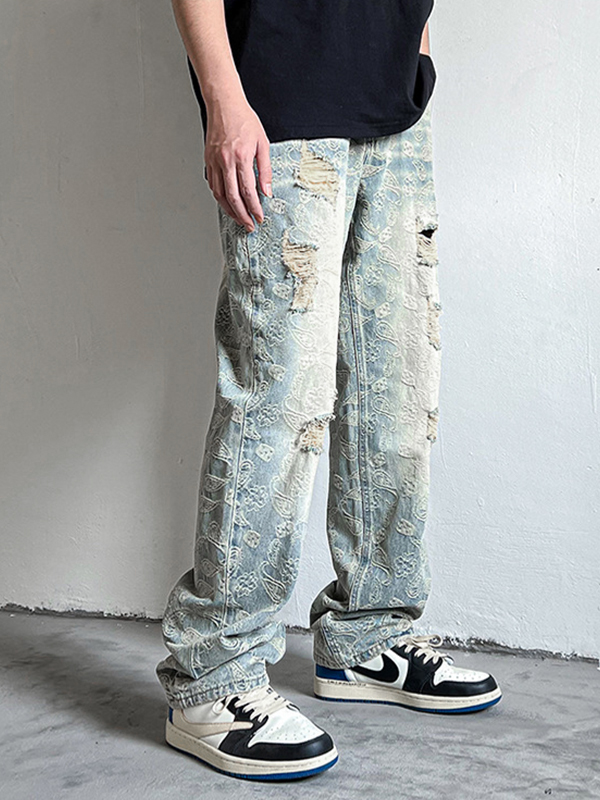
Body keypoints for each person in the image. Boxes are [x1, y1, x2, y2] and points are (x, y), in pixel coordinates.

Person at [155, 0, 502, 782]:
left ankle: (368, 632)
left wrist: (415, 51)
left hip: (396, 107)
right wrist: (224, 99)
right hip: (279, 102)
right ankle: (214, 676)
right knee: (280, 398)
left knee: (396, 388)